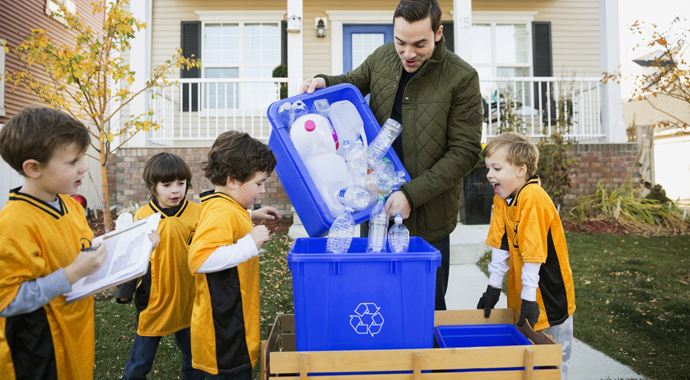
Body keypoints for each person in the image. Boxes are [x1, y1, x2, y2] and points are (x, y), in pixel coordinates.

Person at [299, 0, 483, 310]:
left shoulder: (461, 78)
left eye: (419, 43)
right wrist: (324, 82)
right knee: (376, 302)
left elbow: (464, 153)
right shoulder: (382, 57)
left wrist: (410, 195)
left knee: (426, 306)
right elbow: (352, 83)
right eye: (401, 42)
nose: (408, 53)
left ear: (438, 33)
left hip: (429, 219)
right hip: (374, 206)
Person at [0, 106, 107, 379]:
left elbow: (81, 249)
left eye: (82, 158)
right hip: (39, 349)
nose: (84, 166)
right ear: (33, 168)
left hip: (76, 331)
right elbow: (7, 302)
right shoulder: (15, 223)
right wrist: (72, 274)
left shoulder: (71, 205)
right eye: (73, 162)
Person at [476, 132, 576, 380]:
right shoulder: (503, 196)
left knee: (552, 360)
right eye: (488, 167)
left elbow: (534, 254)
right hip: (525, 292)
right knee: (528, 358)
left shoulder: (533, 198)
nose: (489, 174)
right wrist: (493, 287)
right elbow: (500, 243)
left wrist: (530, 299)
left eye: (496, 168)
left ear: (521, 170)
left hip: (550, 294)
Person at [188, 131, 282, 379]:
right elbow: (199, 259)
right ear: (232, 181)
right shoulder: (221, 211)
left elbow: (228, 223)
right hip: (224, 331)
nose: (261, 191)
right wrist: (248, 244)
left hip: (231, 322)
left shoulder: (227, 205)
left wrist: (251, 216)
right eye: (259, 184)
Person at [115, 152, 204, 380]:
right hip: (154, 299)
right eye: (166, 184)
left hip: (189, 298)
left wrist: (250, 214)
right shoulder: (144, 216)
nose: (175, 190)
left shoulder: (198, 212)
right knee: (140, 361)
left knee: (194, 359)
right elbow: (133, 255)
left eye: (180, 183)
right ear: (153, 186)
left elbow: (220, 226)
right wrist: (126, 290)